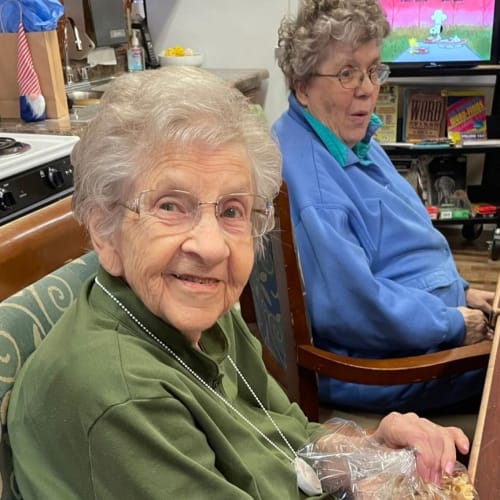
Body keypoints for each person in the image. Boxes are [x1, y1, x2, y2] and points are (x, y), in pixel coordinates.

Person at [8, 66, 470, 499]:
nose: (212, 248)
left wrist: (369, 454)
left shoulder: (200, 312)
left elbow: (286, 437)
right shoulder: (123, 396)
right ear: (105, 230)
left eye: (231, 211)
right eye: (170, 205)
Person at [272, 0, 494, 415]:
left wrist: (462, 291)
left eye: (374, 70)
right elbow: (355, 308)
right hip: (389, 365)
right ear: (302, 86)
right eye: (346, 73)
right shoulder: (316, 188)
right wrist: (453, 323)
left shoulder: (348, 137)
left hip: (422, 328)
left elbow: (402, 246)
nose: (368, 87)